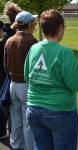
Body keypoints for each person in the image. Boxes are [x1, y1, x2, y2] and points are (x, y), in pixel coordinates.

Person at [24, 9, 78, 150]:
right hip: (60, 112)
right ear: (60, 28)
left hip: (34, 110)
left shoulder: (34, 48)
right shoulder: (65, 53)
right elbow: (75, 85)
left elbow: (27, 77)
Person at [4, 11, 37, 150]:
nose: (35, 25)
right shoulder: (31, 41)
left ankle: (16, 146)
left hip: (13, 84)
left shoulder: (9, 40)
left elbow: (5, 65)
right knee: (28, 122)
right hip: (26, 85)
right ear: (29, 24)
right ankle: (29, 147)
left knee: (16, 119)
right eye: (33, 22)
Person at [0, 2, 21, 140]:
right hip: (11, 75)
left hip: (4, 72)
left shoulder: (7, 33)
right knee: (10, 106)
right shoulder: (16, 34)